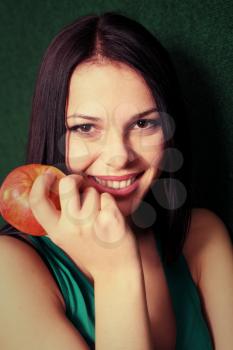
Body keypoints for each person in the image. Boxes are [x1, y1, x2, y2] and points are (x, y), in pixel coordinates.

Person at [0, 11, 232, 350]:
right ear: (55, 136)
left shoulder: (201, 236)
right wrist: (116, 270)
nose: (119, 156)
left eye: (143, 124)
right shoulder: (10, 269)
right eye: (85, 128)